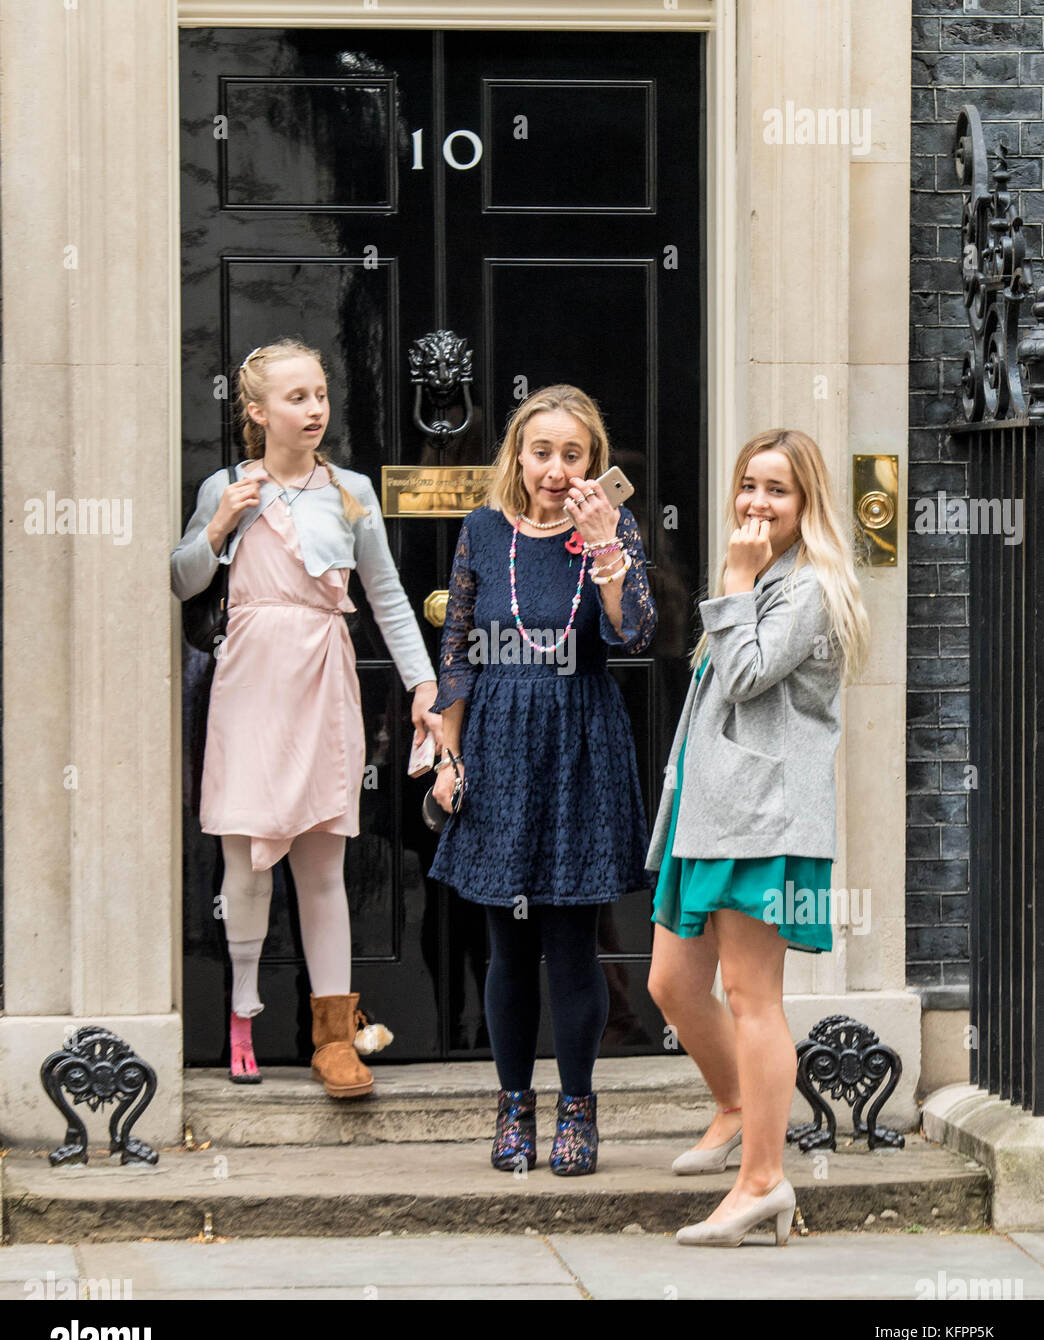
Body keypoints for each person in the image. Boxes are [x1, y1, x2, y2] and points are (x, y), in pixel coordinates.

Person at [171, 338, 440, 1097]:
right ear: (256, 411)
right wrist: (218, 524)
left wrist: (422, 685)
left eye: (320, 394)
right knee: (245, 857)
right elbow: (181, 577)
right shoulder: (224, 485)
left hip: (324, 678)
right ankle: (242, 1019)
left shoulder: (351, 491)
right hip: (250, 680)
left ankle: (334, 1038)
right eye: (296, 398)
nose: (315, 408)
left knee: (323, 863)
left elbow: (386, 596)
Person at [645, 427, 870, 1246]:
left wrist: (735, 581)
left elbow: (744, 677)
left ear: (806, 502)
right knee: (672, 982)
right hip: (713, 815)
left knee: (752, 998)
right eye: (748, 484)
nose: (755, 502)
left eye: (776, 489)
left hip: (765, 821)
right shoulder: (767, 578)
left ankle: (765, 1181)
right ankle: (741, 1108)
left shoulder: (805, 586)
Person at [428, 384, 656, 1176]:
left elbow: (634, 633)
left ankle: (580, 1109)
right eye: (542, 453)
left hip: (580, 746)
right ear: (517, 459)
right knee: (506, 947)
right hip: (496, 745)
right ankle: (514, 1105)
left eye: (573, 454)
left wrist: (606, 550)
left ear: (593, 461)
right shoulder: (485, 532)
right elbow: (456, 650)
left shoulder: (610, 529)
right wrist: (449, 756)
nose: (556, 469)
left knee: (572, 945)